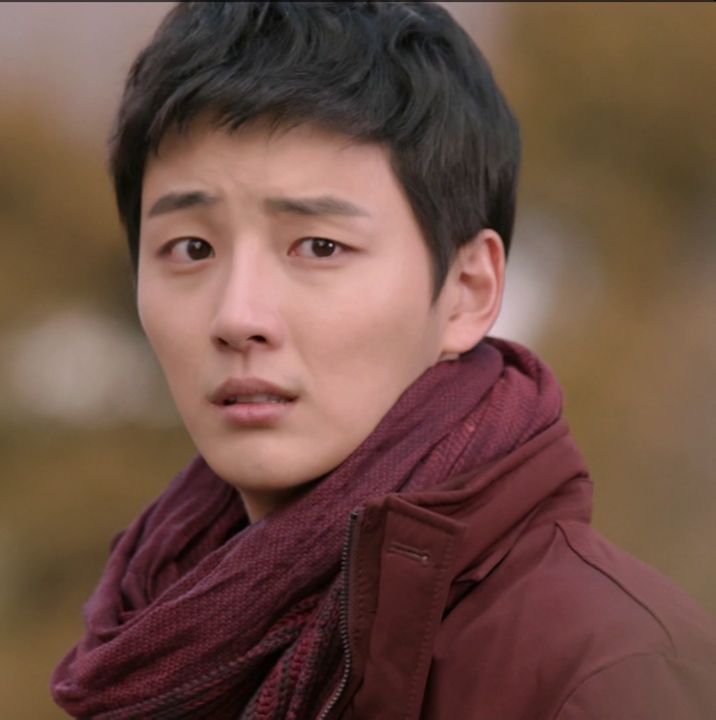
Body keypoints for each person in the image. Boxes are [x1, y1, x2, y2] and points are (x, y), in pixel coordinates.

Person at [51, 2, 716, 718]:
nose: (237, 316)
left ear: (468, 290)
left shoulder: (615, 674)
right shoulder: (149, 632)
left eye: (319, 247)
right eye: (192, 248)